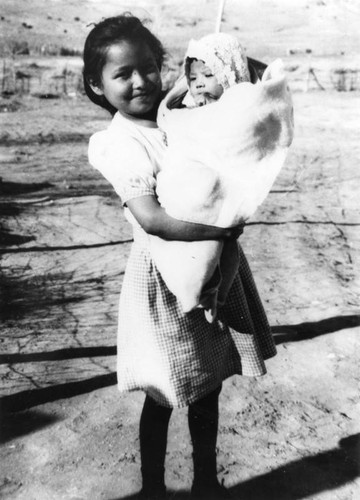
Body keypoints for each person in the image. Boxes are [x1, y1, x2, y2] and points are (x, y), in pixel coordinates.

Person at [83, 14, 277, 500]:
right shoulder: (119, 143)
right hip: (164, 275)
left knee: (207, 385)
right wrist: (221, 230)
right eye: (122, 74)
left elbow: (245, 83)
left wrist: (224, 56)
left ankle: (206, 482)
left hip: (213, 262)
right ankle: (152, 488)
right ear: (96, 84)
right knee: (165, 390)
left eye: (148, 67)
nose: (140, 81)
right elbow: (151, 218)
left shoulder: (186, 109)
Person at [151, 32, 294, 322]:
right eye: (193, 77)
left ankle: (219, 295)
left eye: (208, 74)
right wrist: (185, 93)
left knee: (224, 249)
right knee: (194, 256)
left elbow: (246, 127)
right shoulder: (192, 108)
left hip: (221, 194)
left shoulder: (239, 105)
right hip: (193, 191)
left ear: (231, 75)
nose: (199, 82)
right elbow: (174, 123)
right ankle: (196, 294)